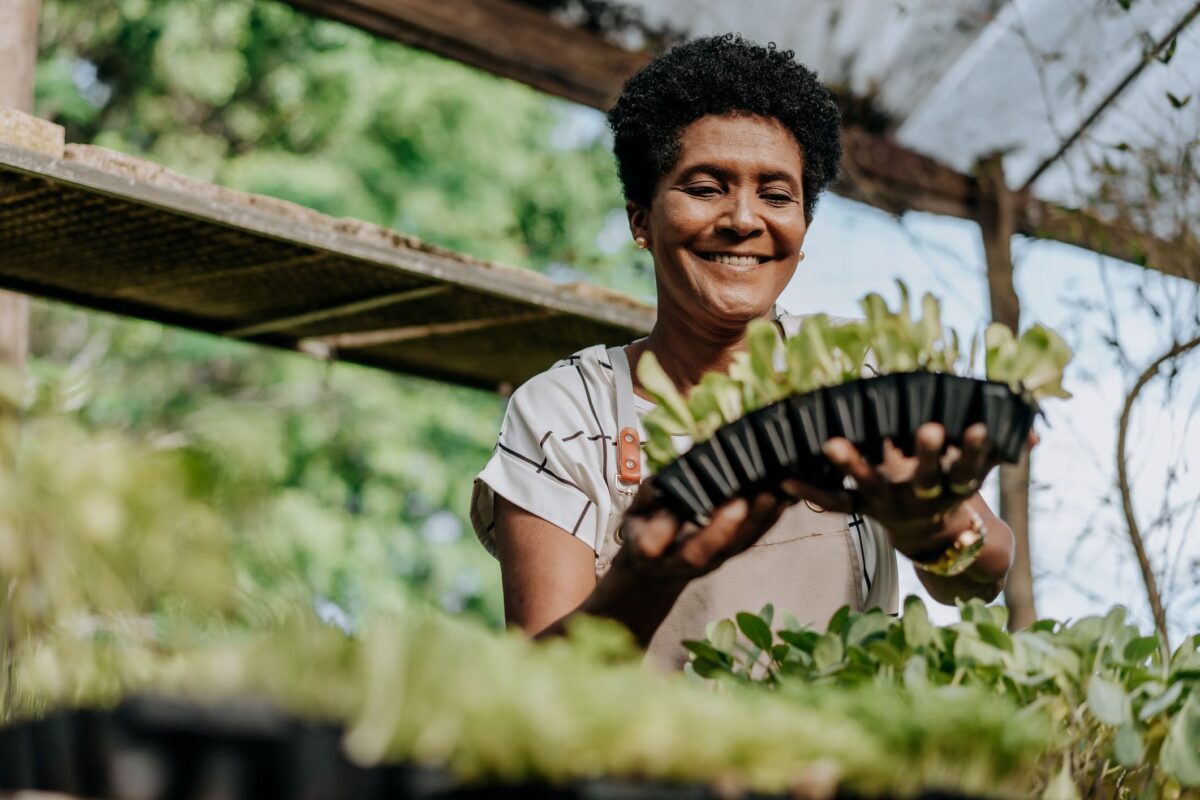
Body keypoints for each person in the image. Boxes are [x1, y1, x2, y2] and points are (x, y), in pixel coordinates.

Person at [470, 34, 1017, 670]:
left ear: (804, 231)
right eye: (705, 187)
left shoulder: (859, 369)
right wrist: (647, 575)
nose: (743, 219)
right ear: (641, 219)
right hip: (650, 766)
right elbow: (540, 688)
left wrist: (934, 529)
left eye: (777, 195)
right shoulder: (567, 413)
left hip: (845, 760)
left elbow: (982, 576)